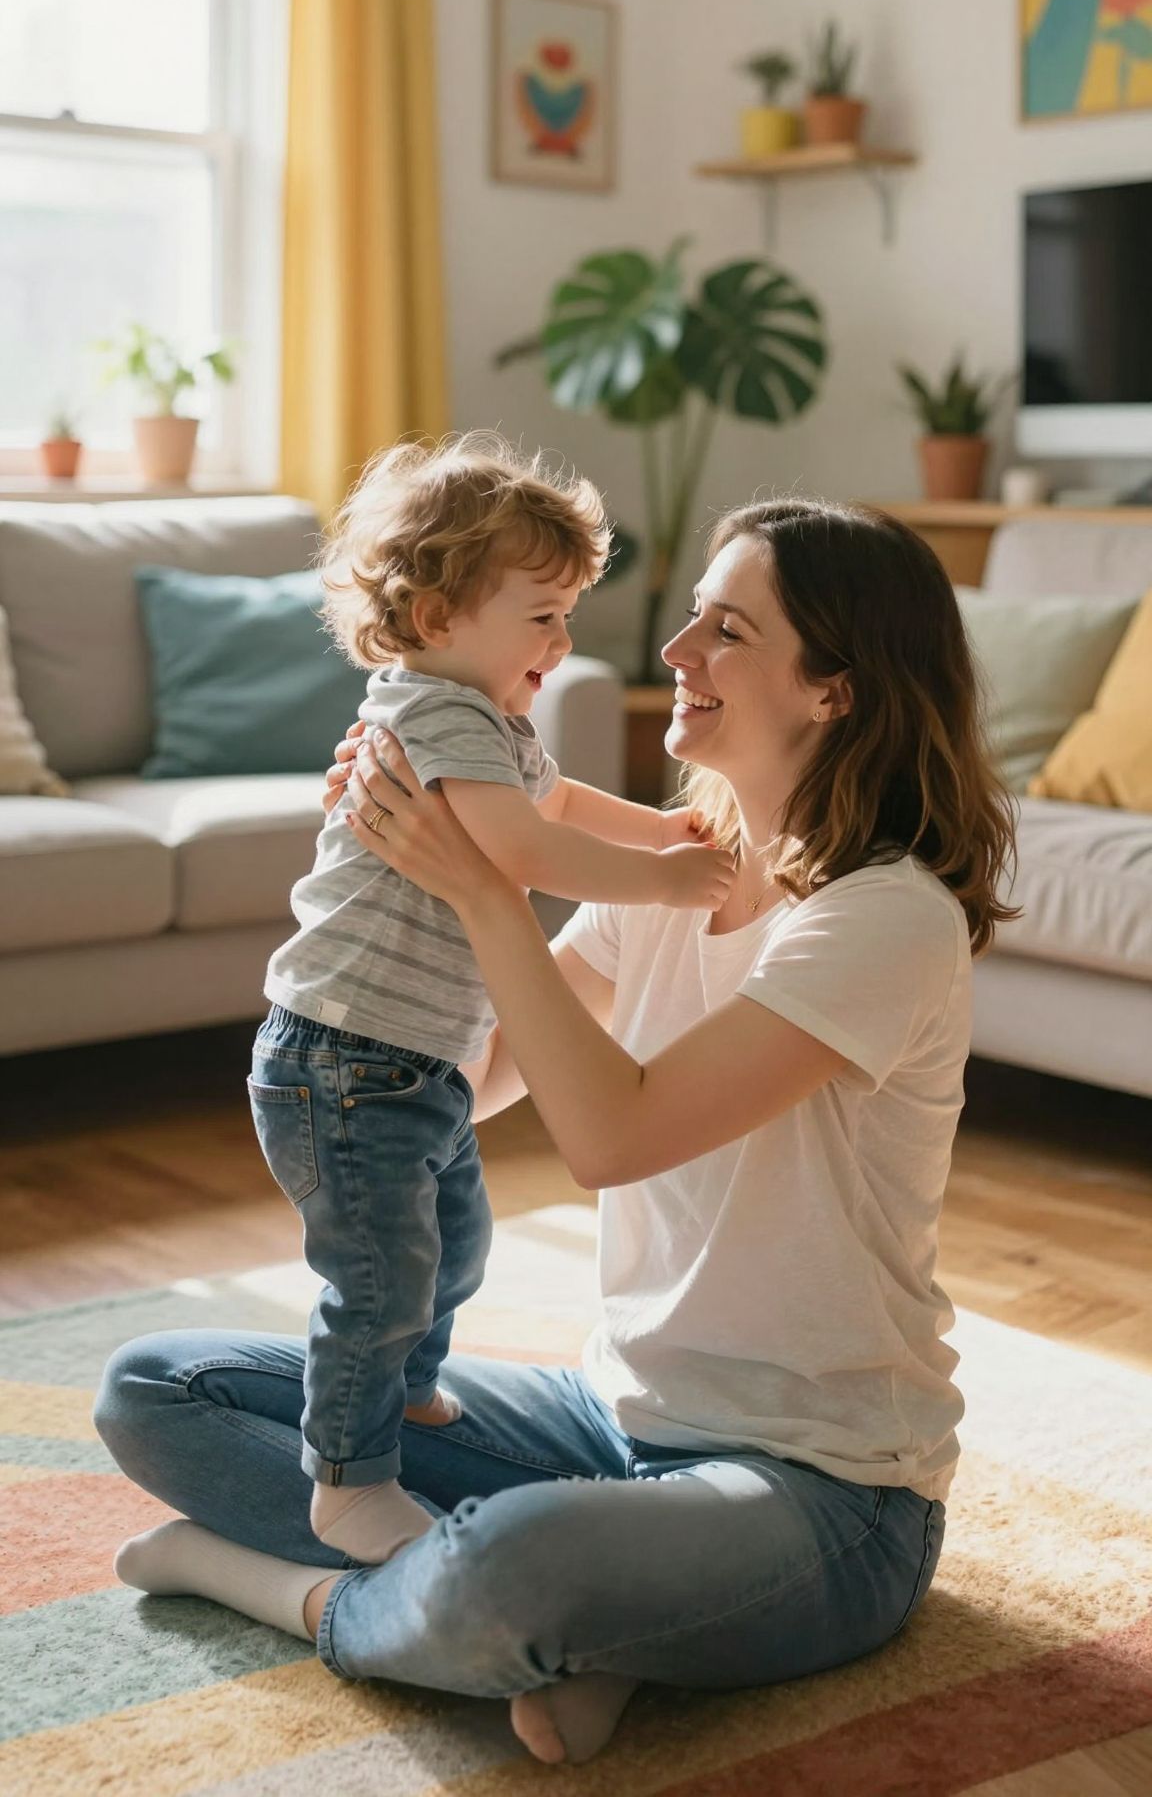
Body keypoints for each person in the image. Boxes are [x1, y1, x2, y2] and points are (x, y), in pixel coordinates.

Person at [96, 496, 1017, 1769]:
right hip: (610, 1412)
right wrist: (392, 895)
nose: (678, 647)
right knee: (156, 1389)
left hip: (824, 1488)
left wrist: (484, 883)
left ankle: (274, 1583)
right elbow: (469, 1085)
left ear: (834, 691)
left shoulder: (880, 918)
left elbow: (610, 1134)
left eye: (729, 628)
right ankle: (615, 1626)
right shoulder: (680, 867)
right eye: (695, 611)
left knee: (518, 1563)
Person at [247, 437, 733, 1565]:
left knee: (451, 1243)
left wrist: (656, 823)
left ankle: (408, 1388)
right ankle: (348, 1481)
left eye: (568, 614)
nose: (564, 643)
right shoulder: (437, 712)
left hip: (407, 1064)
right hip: (346, 1057)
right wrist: (661, 877)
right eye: (543, 616)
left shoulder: (484, 722)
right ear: (432, 616)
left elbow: (553, 792)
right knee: (379, 1276)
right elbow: (522, 841)